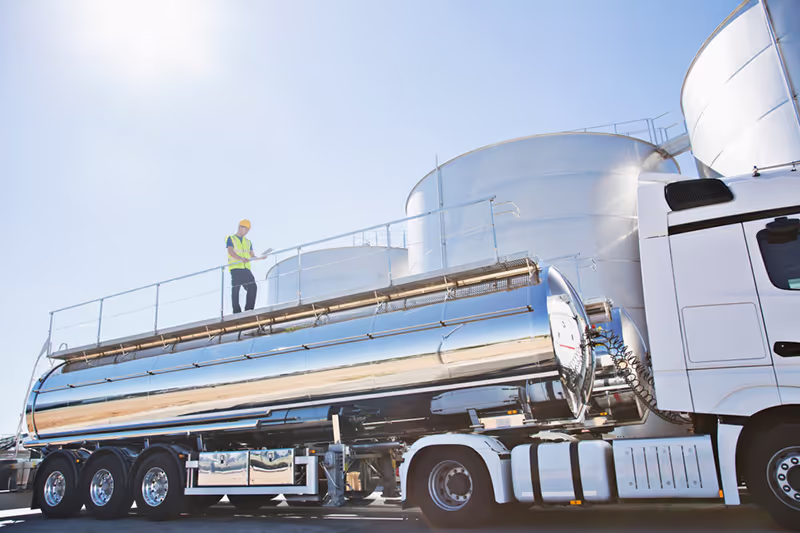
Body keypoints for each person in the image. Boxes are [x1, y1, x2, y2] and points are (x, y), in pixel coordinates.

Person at [227, 219, 260, 313]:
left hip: (246, 269)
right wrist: (241, 258)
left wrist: (260, 258)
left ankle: (249, 309)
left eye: (248, 230)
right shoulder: (231, 238)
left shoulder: (248, 242)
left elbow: (252, 255)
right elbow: (230, 251)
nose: (247, 232)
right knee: (236, 289)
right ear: (240, 227)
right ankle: (236, 311)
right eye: (246, 229)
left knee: (253, 286)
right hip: (235, 268)